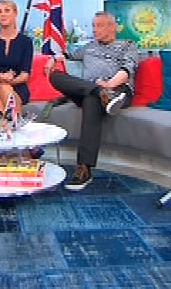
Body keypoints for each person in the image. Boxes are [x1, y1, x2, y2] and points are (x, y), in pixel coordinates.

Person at [44, 11, 138, 191]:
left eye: (99, 25)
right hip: (94, 88)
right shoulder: (89, 47)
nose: (94, 30)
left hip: (117, 91)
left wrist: (109, 85)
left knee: (91, 100)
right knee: (55, 77)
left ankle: (84, 168)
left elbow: (127, 70)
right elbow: (67, 55)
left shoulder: (127, 45)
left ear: (112, 27)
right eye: (93, 25)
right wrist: (54, 58)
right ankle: (99, 93)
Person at [0, 0, 33, 116]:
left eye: (7, 10)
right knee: (4, 88)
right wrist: (2, 77)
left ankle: (4, 124)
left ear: (15, 13)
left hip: (18, 88)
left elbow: (25, 75)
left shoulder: (26, 42)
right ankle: (18, 121)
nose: (2, 14)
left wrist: (10, 81)